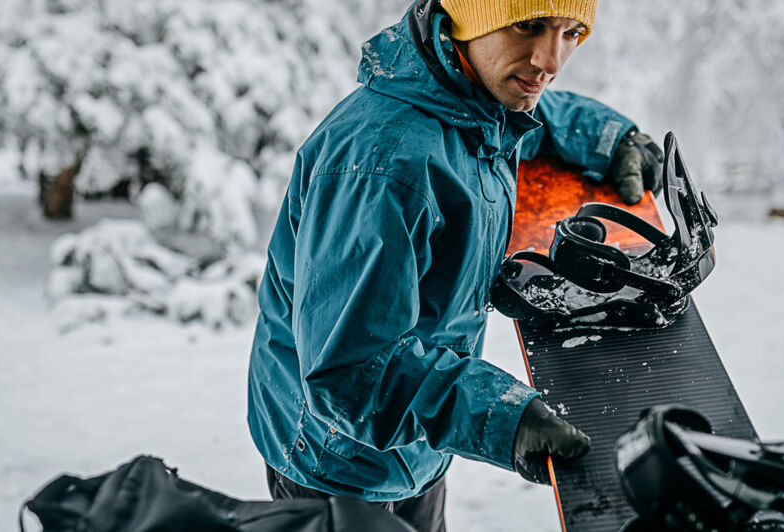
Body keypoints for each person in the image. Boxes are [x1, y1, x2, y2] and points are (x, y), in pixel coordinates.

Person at [246, 1, 661, 530]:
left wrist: (610, 137)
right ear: (469, 18)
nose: (550, 60)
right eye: (528, 26)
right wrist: (503, 418)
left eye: (571, 31)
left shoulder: (475, 100)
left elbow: (540, 115)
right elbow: (346, 372)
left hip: (415, 437)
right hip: (336, 460)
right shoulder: (384, 167)